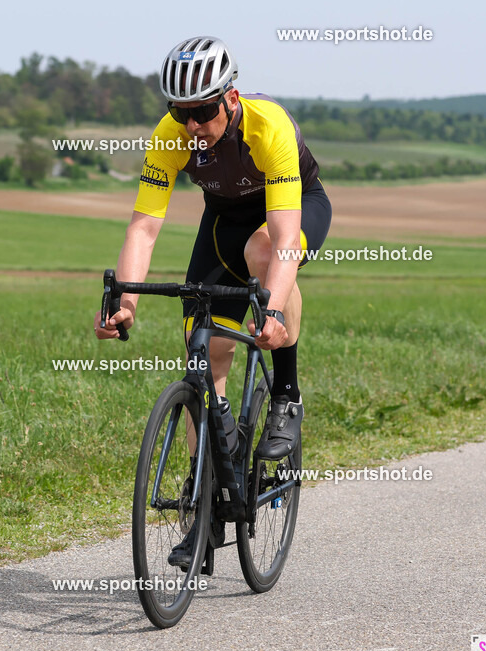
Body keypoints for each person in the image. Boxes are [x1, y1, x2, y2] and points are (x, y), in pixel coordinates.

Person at [93, 36, 331, 569]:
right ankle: (208, 502)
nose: (192, 125)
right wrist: (126, 300)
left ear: (230, 98)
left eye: (202, 111)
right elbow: (145, 226)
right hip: (223, 220)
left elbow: (285, 233)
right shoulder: (172, 136)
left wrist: (270, 309)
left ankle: (287, 397)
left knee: (263, 252)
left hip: (290, 214)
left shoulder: (267, 127)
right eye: (181, 112)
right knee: (203, 350)